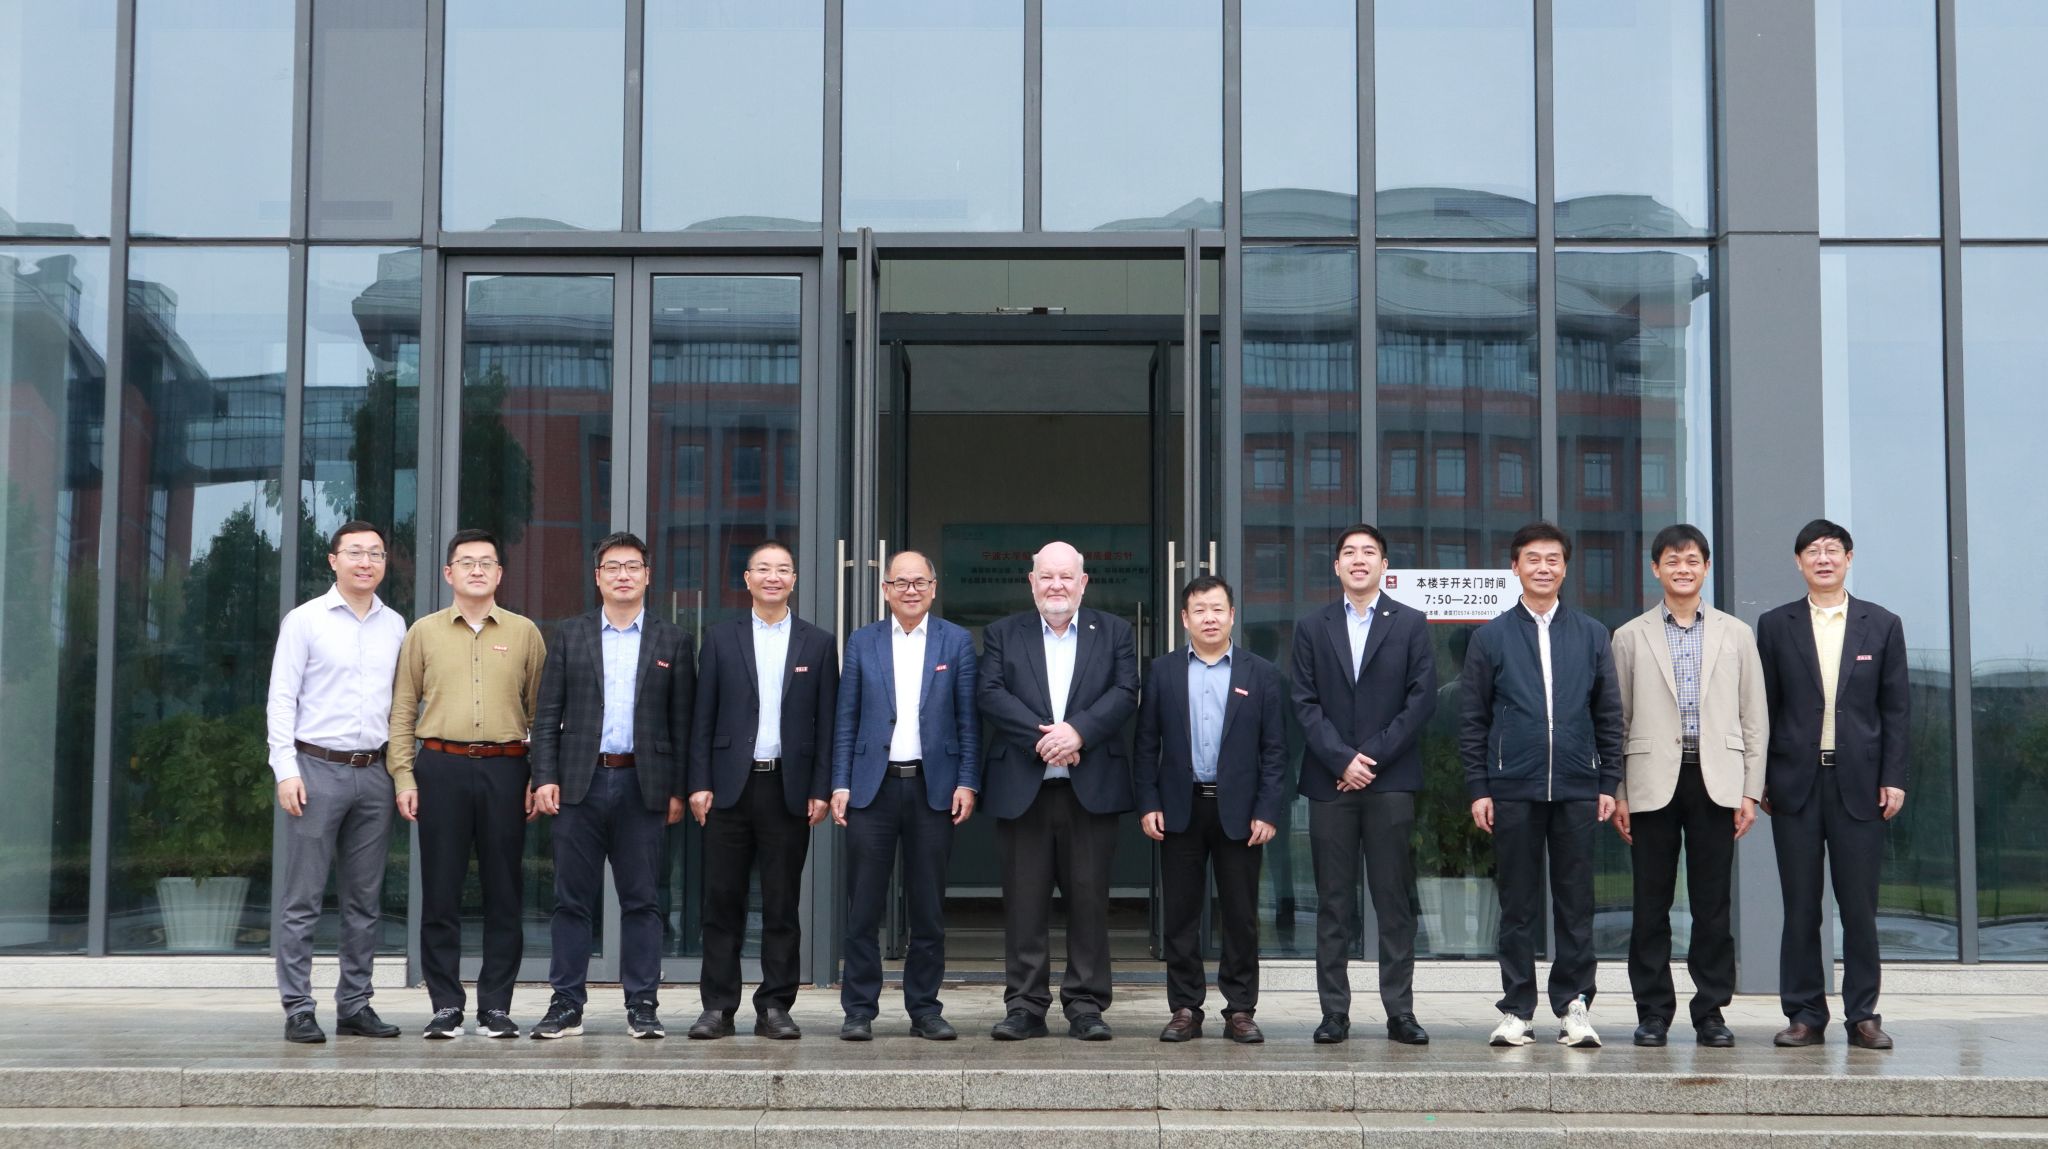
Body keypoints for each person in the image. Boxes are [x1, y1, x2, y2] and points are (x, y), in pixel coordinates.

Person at [1460, 521, 1623, 1049]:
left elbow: (1609, 715)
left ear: (1565, 568)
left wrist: (1608, 781)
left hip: (1577, 786)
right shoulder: (1490, 637)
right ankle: (1517, 1010)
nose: (1543, 567)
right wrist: (1479, 787)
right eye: (1533, 558)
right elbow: (1473, 721)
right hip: (1512, 786)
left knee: (1576, 903)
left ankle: (1574, 1006)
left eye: (1553, 559)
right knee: (1517, 904)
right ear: (1515, 567)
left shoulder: (1592, 634)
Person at [527, 532, 696, 1039]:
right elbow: (547, 714)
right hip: (579, 784)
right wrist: (544, 776)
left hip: (644, 785)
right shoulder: (570, 634)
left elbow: (682, 724)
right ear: (597, 576)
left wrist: (678, 789)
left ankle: (642, 1004)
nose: (623, 575)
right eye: (613, 567)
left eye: (633, 566)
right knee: (571, 900)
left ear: (647, 575)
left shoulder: (673, 640)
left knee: (643, 900)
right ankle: (566, 1004)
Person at [1609, 524, 1764, 1048]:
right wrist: (1620, 792)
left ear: (1706, 567)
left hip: (1717, 781)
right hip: (1650, 781)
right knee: (1650, 903)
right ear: (1656, 568)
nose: (1683, 568)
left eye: (1692, 559)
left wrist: (1750, 791)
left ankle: (1711, 1011)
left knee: (1712, 905)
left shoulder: (1735, 634)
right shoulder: (1629, 636)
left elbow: (1753, 718)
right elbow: (1617, 721)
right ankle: (1653, 1012)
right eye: (1672, 560)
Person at [387, 528, 547, 1039]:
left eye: (486, 562)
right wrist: (404, 775)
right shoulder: (423, 633)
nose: (477, 570)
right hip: (441, 767)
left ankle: (496, 1006)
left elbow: (542, 715)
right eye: (466, 562)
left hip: (507, 769)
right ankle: (446, 1006)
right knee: (440, 890)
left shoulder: (525, 633)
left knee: (505, 891)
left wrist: (539, 775)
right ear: (448, 573)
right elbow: (403, 709)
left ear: (500, 573)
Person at [978, 541, 1139, 1041]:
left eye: (1066, 576)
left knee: (1089, 903)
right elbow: (990, 693)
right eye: (1046, 576)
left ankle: (1086, 1005)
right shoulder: (1003, 633)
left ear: (1083, 583)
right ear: (1031, 582)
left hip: (1090, 790)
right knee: (1024, 905)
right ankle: (1025, 1005)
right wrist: (1046, 739)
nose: (1056, 585)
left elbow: (1125, 692)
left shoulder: (1115, 632)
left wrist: (1079, 733)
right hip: (1022, 789)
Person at [1756, 518, 1908, 1050]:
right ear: (1798, 562)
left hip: (1860, 784)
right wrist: (1760, 779)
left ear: (1849, 558)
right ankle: (1804, 1015)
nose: (1823, 559)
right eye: (1813, 551)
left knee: (1859, 907)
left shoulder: (1882, 624)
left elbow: (1896, 709)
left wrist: (1893, 777)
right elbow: (1763, 707)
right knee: (1800, 905)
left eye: (1832, 550)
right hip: (1794, 783)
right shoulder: (1775, 625)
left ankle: (1863, 1016)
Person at [1290, 523, 1437, 1045]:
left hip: (1389, 780)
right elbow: (1303, 702)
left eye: (1368, 552)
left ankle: (1400, 1012)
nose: (1358, 559)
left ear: (1384, 566)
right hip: (1331, 784)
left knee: (1393, 901)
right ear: (1336, 566)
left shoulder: (1411, 624)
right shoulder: (1312, 627)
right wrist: (1341, 759)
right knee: (1333, 903)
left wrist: (1368, 757)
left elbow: (1421, 700)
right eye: (1349, 552)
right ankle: (1334, 1013)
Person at [686, 540, 837, 1040]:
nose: (774, 577)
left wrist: (820, 786)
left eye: (783, 569)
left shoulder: (818, 643)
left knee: (781, 903)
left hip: (788, 788)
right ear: (747, 579)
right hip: (728, 788)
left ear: (794, 580)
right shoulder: (720, 638)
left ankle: (775, 1006)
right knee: (721, 902)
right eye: (763, 569)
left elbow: (827, 724)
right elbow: (702, 717)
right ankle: (717, 1007)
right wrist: (699, 782)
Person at [265, 521, 407, 1044]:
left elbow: (404, 704)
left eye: (376, 554)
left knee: (364, 901)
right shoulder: (305, 620)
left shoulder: (396, 625)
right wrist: (285, 769)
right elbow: (281, 698)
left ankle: (355, 1004)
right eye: (355, 553)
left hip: (375, 773)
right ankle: (298, 1007)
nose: (366, 562)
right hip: (315, 770)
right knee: (302, 899)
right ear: (333, 560)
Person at [830, 550, 980, 1041]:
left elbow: (968, 720)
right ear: (886, 590)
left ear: (934, 588)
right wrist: (840, 782)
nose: (910, 590)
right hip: (871, 789)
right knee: (863, 908)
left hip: (934, 789)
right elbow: (846, 718)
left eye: (920, 582)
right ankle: (858, 1010)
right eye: (901, 582)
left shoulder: (956, 641)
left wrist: (967, 781)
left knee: (928, 909)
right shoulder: (863, 641)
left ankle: (925, 1009)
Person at [1134, 575, 1286, 1044]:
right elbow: (1145, 744)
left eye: (1218, 609)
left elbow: (1275, 750)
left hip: (1240, 812)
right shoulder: (1162, 672)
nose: (1209, 618)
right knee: (1181, 915)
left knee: (1240, 914)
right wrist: (1148, 802)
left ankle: (1240, 1010)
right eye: (1199, 610)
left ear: (1232, 615)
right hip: (1180, 809)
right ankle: (1184, 1008)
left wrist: (1268, 810)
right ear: (1185, 618)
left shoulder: (1261, 673)